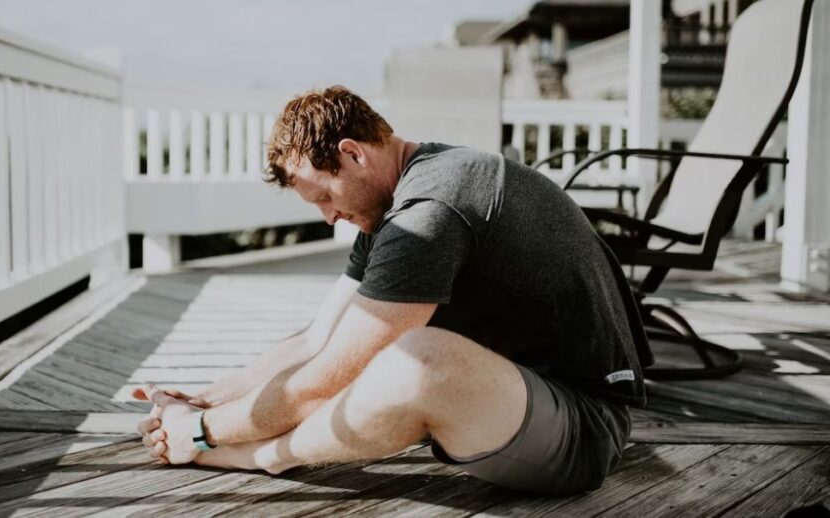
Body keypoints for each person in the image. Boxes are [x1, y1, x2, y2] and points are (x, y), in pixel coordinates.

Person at [135, 85, 652, 494]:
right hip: (511, 400)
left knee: (415, 361)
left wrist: (206, 434)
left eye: (324, 196)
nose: (329, 216)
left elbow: (327, 378)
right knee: (369, 351)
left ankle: (265, 457)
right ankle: (238, 442)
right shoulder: (394, 206)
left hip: (582, 428)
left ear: (352, 153)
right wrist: (204, 400)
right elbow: (318, 340)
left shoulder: (430, 211)